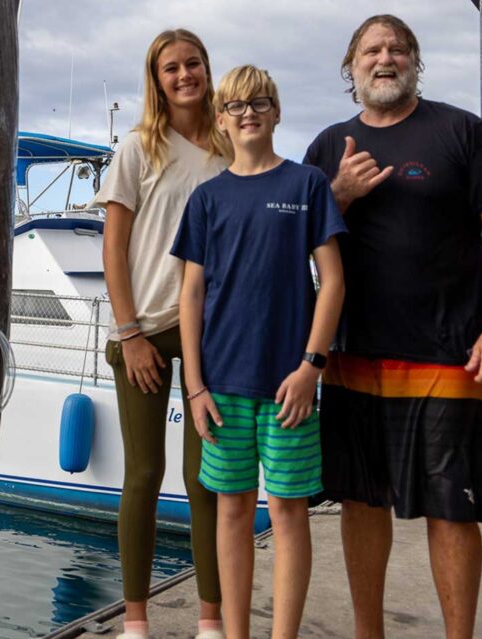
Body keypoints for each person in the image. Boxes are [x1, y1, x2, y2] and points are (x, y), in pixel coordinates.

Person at [302, 14, 482, 639]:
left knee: (450, 504)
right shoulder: (328, 148)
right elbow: (298, 244)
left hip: (448, 355)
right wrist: (338, 195)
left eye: (398, 49)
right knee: (360, 499)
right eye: (372, 50)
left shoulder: (461, 132)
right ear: (351, 67)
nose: (385, 58)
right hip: (354, 357)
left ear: (415, 62)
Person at [173, 64, 345, 639]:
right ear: (220, 119)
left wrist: (310, 367)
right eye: (237, 105)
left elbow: (333, 281)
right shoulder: (207, 198)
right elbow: (191, 293)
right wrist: (194, 387)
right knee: (231, 510)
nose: (249, 113)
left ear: (276, 112)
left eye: (261, 103)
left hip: (288, 386)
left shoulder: (307, 186)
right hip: (221, 387)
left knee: (290, 512)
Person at [92, 29, 230, 639]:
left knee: (206, 478)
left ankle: (209, 619)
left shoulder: (231, 146)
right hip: (145, 329)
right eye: (170, 67)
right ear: (156, 78)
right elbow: (114, 248)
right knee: (143, 475)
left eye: (192, 63)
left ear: (207, 68)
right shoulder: (138, 148)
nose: (183, 75)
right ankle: (136, 620)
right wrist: (129, 334)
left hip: (214, 333)